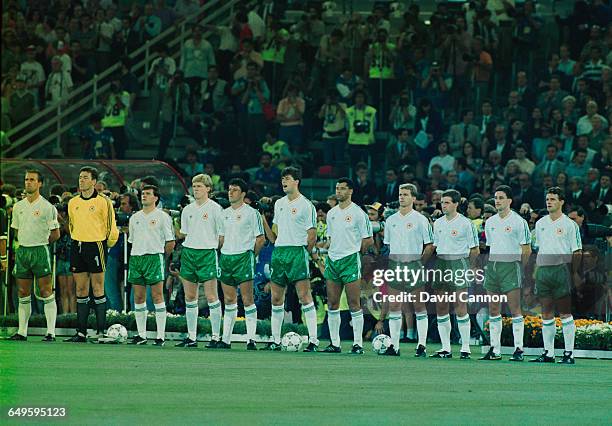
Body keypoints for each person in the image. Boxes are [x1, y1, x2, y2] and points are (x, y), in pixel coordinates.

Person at [260, 167, 319, 351]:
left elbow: (312, 235)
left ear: (296, 181)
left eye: (287, 178)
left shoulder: (306, 205)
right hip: (279, 252)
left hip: (297, 252)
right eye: (282, 179)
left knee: (304, 296)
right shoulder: (279, 204)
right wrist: (262, 218)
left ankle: (313, 341)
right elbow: (273, 237)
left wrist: (304, 253)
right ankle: (276, 340)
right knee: (276, 298)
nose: (283, 182)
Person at [377, 183, 434, 356]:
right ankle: (394, 346)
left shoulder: (420, 219)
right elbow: (388, 245)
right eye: (400, 194)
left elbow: (430, 246)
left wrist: (419, 263)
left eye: (406, 194)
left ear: (414, 198)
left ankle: (421, 345)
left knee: (418, 305)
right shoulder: (391, 220)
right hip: (395, 265)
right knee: (394, 305)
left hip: (413, 264)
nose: (402, 197)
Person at [65, 167, 119, 342]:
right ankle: (81, 332)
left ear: (94, 181)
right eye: (80, 177)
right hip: (77, 245)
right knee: (80, 289)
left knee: (97, 288)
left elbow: (112, 228)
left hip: (96, 245)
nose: (81, 180)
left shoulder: (104, 202)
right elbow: (71, 225)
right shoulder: (73, 202)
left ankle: (101, 331)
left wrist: (105, 244)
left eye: (85, 178)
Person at [530, 187, 582, 364]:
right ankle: (549, 353)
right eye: (547, 199)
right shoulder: (540, 223)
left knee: (565, 312)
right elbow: (539, 248)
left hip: (561, 269)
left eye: (553, 199)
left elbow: (577, 251)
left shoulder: (569, 225)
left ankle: (569, 353)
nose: (549, 202)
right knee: (546, 313)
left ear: (561, 202)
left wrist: (574, 272)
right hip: (544, 270)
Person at [480, 185, 531, 362]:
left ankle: (519, 349)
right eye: (496, 197)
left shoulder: (519, 222)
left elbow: (526, 249)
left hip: (511, 266)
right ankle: (495, 349)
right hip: (493, 267)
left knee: (514, 308)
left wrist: (520, 267)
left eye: (501, 197)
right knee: (493, 309)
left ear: (509, 200)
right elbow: (491, 247)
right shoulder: (491, 222)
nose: (497, 200)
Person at [323, 178, 373, 354]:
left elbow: (368, 239)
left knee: (354, 302)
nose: (339, 192)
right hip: (333, 259)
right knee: (333, 302)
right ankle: (334, 343)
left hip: (350, 259)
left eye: (342, 189)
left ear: (350, 191)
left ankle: (357, 344)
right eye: (337, 188)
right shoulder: (331, 213)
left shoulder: (359, 213)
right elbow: (330, 239)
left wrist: (356, 253)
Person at [9, 170, 60, 341]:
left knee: (46, 291)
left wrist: (42, 243)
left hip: (40, 250)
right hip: (23, 250)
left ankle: (51, 332)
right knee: (23, 292)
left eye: (32, 180)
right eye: (26, 179)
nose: (28, 182)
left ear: (40, 184)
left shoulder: (47, 207)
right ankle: (22, 331)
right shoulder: (18, 206)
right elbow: (16, 230)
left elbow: (56, 234)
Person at [175, 174, 224, 348]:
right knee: (190, 296)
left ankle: (216, 336)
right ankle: (191, 337)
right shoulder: (187, 210)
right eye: (194, 186)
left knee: (211, 296)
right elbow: (184, 234)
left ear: (208, 189)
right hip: (189, 253)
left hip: (207, 254)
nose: (196, 189)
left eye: (199, 186)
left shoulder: (216, 209)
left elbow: (221, 236)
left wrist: (211, 247)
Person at [431, 189, 479, 359]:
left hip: (459, 263)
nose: (443, 205)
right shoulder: (437, 223)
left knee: (460, 307)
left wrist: (472, 268)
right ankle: (446, 348)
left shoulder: (466, 223)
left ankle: (465, 347)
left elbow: (474, 249)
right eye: (442, 202)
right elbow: (435, 246)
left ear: (456, 204)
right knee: (441, 307)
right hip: (441, 263)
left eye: (447, 202)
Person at [218, 178, 265, 349]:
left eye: (235, 189)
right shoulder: (223, 213)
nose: (230, 192)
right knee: (229, 299)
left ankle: (251, 339)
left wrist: (251, 256)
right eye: (229, 189)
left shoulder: (252, 213)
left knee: (247, 299)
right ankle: (226, 339)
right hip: (226, 257)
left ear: (243, 193)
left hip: (244, 257)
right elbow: (221, 239)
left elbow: (261, 239)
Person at [127, 185, 175, 346]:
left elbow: (170, 242)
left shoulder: (162, 217)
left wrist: (162, 257)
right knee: (138, 297)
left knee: (157, 296)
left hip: (154, 257)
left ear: (156, 198)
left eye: (148, 194)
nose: (144, 196)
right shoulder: (134, 217)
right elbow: (132, 240)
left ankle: (160, 336)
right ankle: (141, 335)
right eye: (142, 194)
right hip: (136, 258)